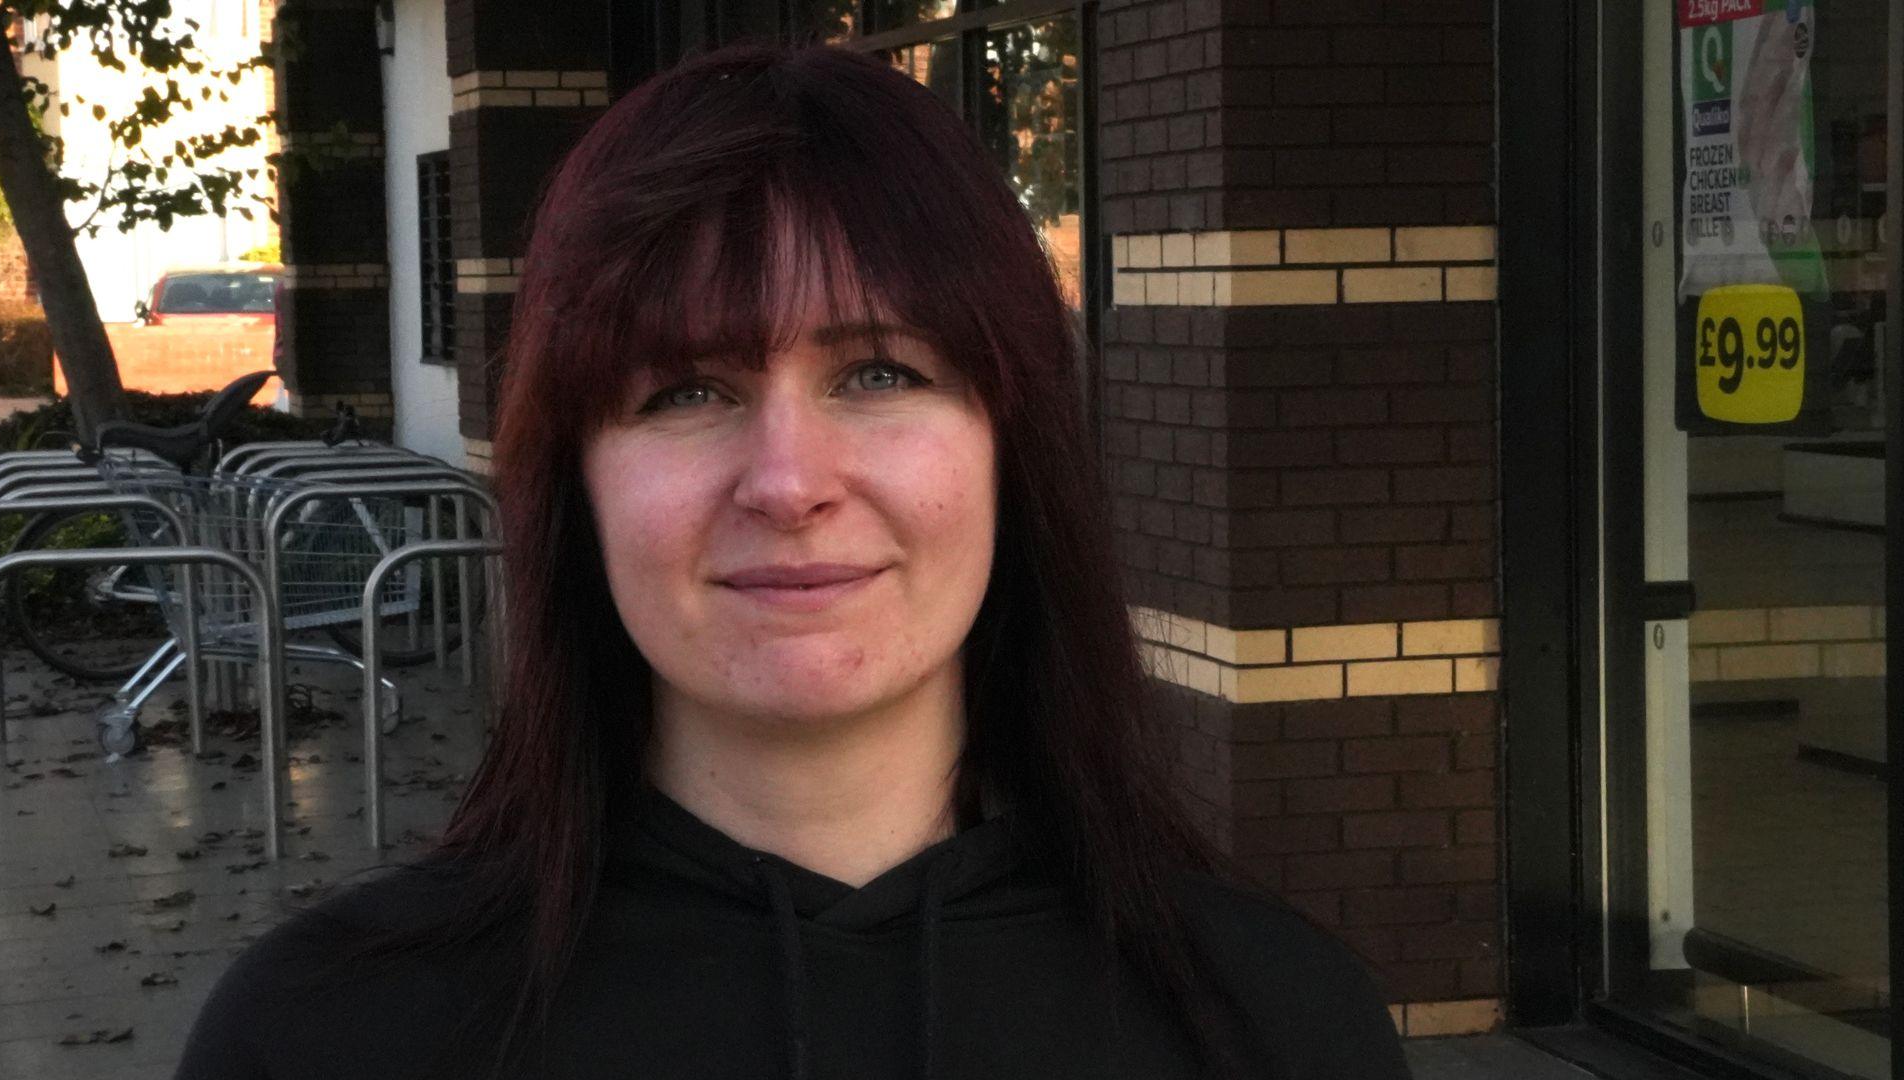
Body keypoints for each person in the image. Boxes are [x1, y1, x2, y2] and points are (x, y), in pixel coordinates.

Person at [174, 39, 1412, 1080]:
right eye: (686, 391)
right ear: (577, 484)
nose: (788, 481)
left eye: (880, 374)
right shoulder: (331, 1038)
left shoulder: (1276, 1027)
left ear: (1011, 449)